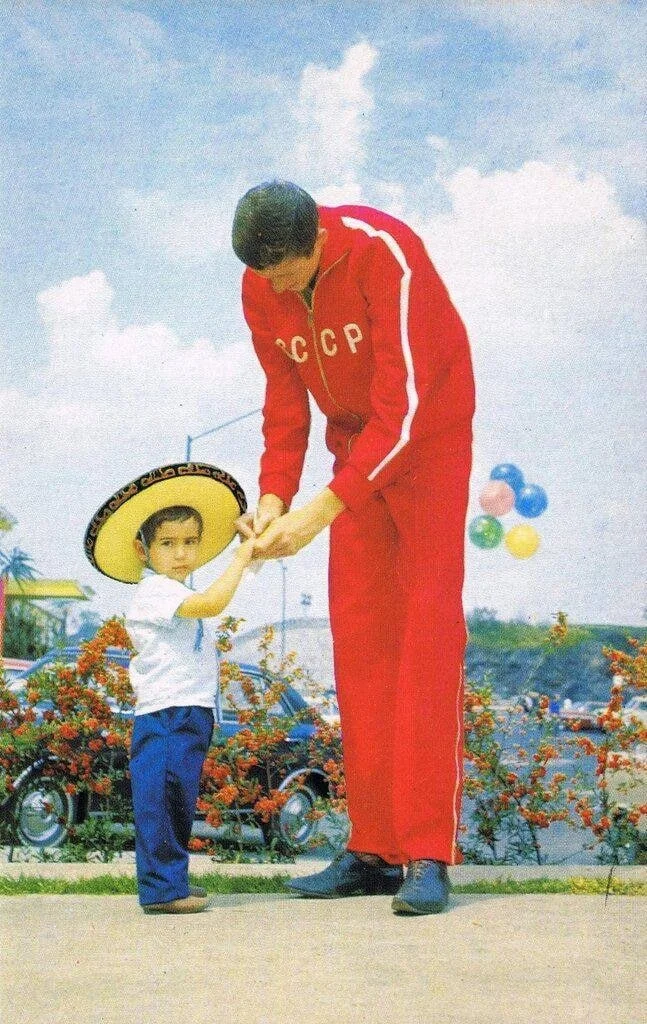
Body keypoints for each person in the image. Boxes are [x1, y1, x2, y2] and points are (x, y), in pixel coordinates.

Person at [231, 181, 475, 915]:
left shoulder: (383, 254)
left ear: (315, 243)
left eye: (283, 272)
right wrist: (273, 498)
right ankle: (372, 847)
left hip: (424, 442)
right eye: (260, 275)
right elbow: (283, 402)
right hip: (352, 451)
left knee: (424, 641)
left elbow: (402, 407)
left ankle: (426, 854)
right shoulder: (259, 287)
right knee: (362, 646)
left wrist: (321, 510)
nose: (271, 287)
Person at [84, 463, 252, 914]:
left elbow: (215, 597)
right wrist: (240, 557)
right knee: (159, 796)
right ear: (143, 550)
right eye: (168, 543)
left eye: (191, 542)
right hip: (164, 713)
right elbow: (214, 601)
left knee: (178, 797)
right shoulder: (156, 592)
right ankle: (161, 890)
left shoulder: (176, 589)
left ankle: (171, 879)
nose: (181, 554)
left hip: (192, 709)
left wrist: (248, 550)